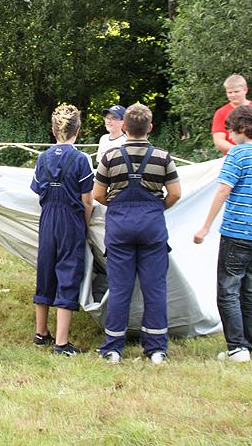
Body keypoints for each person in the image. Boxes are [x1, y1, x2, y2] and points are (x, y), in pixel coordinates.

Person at [93, 103, 181, 365]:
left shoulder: (110, 157)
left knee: (120, 288)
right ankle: (156, 349)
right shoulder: (163, 157)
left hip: (120, 228)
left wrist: (119, 207)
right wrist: (156, 207)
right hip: (152, 227)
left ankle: (113, 348)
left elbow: (98, 194)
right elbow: (175, 193)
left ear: (125, 128)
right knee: (154, 289)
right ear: (149, 128)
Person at [193, 105, 252, 363]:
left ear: (242, 128)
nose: (229, 136)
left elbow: (223, 190)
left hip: (236, 231)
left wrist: (205, 226)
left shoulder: (238, 154)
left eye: (231, 130)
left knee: (228, 290)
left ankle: (237, 348)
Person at [30, 104, 95, 356]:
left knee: (45, 269)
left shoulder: (42, 157)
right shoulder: (81, 159)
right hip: (71, 219)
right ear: (78, 130)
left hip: (47, 219)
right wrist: (85, 225)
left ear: (53, 130)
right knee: (68, 272)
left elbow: (37, 191)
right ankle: (61, 342)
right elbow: (87, 199)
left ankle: (41, 332)